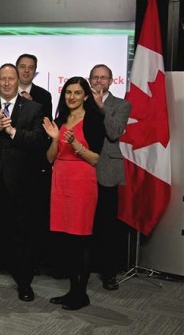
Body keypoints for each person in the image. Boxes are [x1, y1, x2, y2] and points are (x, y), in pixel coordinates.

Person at [0, 64, 46, 302]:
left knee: (21, 235)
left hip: (22, 182)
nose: (6, 83)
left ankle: (24, 282)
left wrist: (13, 131)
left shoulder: (34, 108)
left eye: (11, 78)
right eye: (2, 79)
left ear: (18, 80)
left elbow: (38, 140)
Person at [43, 76, 105, 310]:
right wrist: (56, 140)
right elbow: (50, 157)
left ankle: (81, 294)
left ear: (86, 96)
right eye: (68, 92)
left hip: (82, 182)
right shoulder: (59, 120)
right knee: (66, 240)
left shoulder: (94, 120)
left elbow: (96, 158)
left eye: (77, 93)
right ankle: (72, 291)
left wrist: (76, 145)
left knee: (81, 239)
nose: (72, 97)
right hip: (60, 181)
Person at [89, 64, 131, 291]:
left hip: (107, 169)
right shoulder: (80, 99)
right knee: (84, 221)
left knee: (107, 224)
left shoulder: (121, 104)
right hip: (83, 168)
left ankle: (108, 273)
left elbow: (114, 132)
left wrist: (101, 107)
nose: (99, 81)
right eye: (95, 77)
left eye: (103, 78)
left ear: (111, 81)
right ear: (89, 80)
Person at [15, 53, 54, 275]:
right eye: (23, 66)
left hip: (32, 162)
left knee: (32, 215)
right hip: (9, 160)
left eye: (31, 67)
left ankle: (31, 262)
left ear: (35, 70)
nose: (26, 71)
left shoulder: (43, 95)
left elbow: (45, 131)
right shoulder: (5, 91)